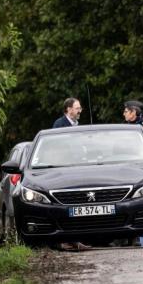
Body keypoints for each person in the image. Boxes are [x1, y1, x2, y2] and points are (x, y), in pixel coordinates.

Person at [52, 97, 90, 252]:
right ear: (68, 109)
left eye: (80, 108)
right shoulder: (59, 125)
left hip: (78, 168)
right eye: (76, 108)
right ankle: (65, 241)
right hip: (63, 170)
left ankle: (76, 240)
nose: (79, 110)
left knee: (79, 205)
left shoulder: (77, 125)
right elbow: (56, 147)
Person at [123, 100, 143, 247]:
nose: (124, 114)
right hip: (126, 169)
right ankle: (129, 239)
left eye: (126, 111)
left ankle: (142, 241)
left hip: (140, 169)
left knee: (140, 203)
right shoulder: (129, 127)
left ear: (133, 113)